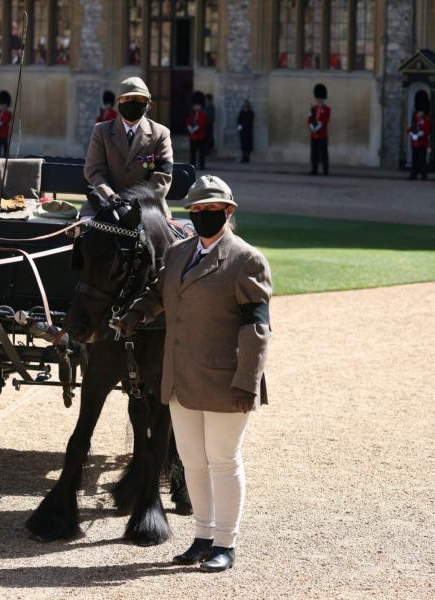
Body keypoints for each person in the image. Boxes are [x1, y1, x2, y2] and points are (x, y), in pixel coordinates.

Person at [113, 174, 272, 573]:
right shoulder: (180, 253)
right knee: (192, 461)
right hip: (180, 378)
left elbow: (257, 329)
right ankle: (202, 537)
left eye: (211, 210)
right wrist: (135, 314)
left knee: (222, 460)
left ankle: (226, 543)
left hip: (225, 381)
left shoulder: (246, 259)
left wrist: (247, 383)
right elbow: (158, 294)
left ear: (228, 212)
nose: (203, 216)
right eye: (197, 210)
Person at [83, 76, 174, 217]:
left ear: (148, 103)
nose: (132, 103)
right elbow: (94, 171)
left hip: (147, 206)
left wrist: (133, 203)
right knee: (90, 234)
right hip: (104, 202)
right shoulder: (101, 131)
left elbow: (161, 177)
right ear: (119, 101)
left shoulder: (161, 134)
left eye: (138, 99)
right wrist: (112, 198)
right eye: (127, 99)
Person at [308, 83, 330, 176]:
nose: (319, 100)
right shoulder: (313, 108)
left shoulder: (327, 109)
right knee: (314, 153)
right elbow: (309, 119)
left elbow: (325, 120)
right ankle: (314, 169)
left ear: (323, 98)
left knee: (324, 153)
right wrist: (312, 128)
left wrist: (317, 127)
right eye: (318, 98)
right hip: (314, 134)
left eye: (321, 98)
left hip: (322, 134)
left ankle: (325, 171)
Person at [407, 108, 431, 181]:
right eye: (418, 112)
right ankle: (413, 174)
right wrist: (412, 134)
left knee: (422, 160)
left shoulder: (426, 120)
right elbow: (409, 130)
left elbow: (427, 130)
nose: (419, 114)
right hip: (415, 143)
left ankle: (424, 175)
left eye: (420, 112)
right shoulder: (415, 120)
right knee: (415, 160)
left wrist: (419, 134)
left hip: (422, 143)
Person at [186, 92, 208, 170]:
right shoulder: (191, 114)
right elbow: (188, 121)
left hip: (200, 136)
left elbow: (202, 123)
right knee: (193, 152)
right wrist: (189, 128)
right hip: (193, 136)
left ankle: (202, 165)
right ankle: (192, 164)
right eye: (195, 105)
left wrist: (195, 129)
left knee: (201, 152)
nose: (196, 107)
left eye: (198, 105)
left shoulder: (203, 114)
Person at [0, 90, 13, 162]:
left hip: (4, 133)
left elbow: (5, 121)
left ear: (6, 105)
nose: (1, 106)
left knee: (5, 147)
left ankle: (6, 158)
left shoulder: (8, 113)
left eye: (3, 104)